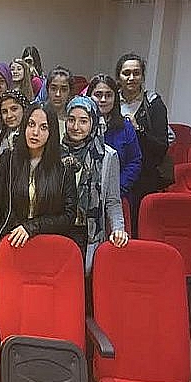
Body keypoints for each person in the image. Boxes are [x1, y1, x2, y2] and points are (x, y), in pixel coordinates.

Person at [0, 102, 77, 282]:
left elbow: (68, 216)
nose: (35, 132)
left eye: (43, 127)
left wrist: (32, 227)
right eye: (31, 124)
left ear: (52, 132)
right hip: (13, 245)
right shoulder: (8, 160)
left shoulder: (64, 167)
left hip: (47, 250)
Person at [61, 96, 128, 274]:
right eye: (71, 120)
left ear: (93, 122)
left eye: (83, 121)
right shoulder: (55, 152)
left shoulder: (107, 156)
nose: (76, 127)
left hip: (88, 233)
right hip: (58, 228)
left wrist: (118, 229)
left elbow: (112, 201)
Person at [115, 52, 170, 229]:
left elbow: (161, 146)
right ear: (118, 77)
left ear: (142, 76)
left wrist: (138, 129)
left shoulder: (154, 104)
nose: (131, 78)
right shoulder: (110, 101)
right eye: (126, 73)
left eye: (136, 73)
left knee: (138, 227)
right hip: (115, 175)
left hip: (144, 179)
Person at [87, 74, 142, 198]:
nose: (103, 100)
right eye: (98, 95)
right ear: (89, 96)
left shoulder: (125, 127)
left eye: (108, 95)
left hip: (117, 193)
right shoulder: (80, 125)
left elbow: (134, 162)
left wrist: (116, 188)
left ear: (115, 98)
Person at [0, 89, 30, 164]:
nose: (9, 115)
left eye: (14, 109)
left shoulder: (31, 135)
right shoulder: (2, 133)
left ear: (24, 109)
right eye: (4, 112)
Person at [45, 66, 73, 142]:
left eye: (64, 89)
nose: (58, 94)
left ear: (70, 92)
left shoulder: (73, 120)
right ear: (47, 90)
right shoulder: (39, 116)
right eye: (53, 89)